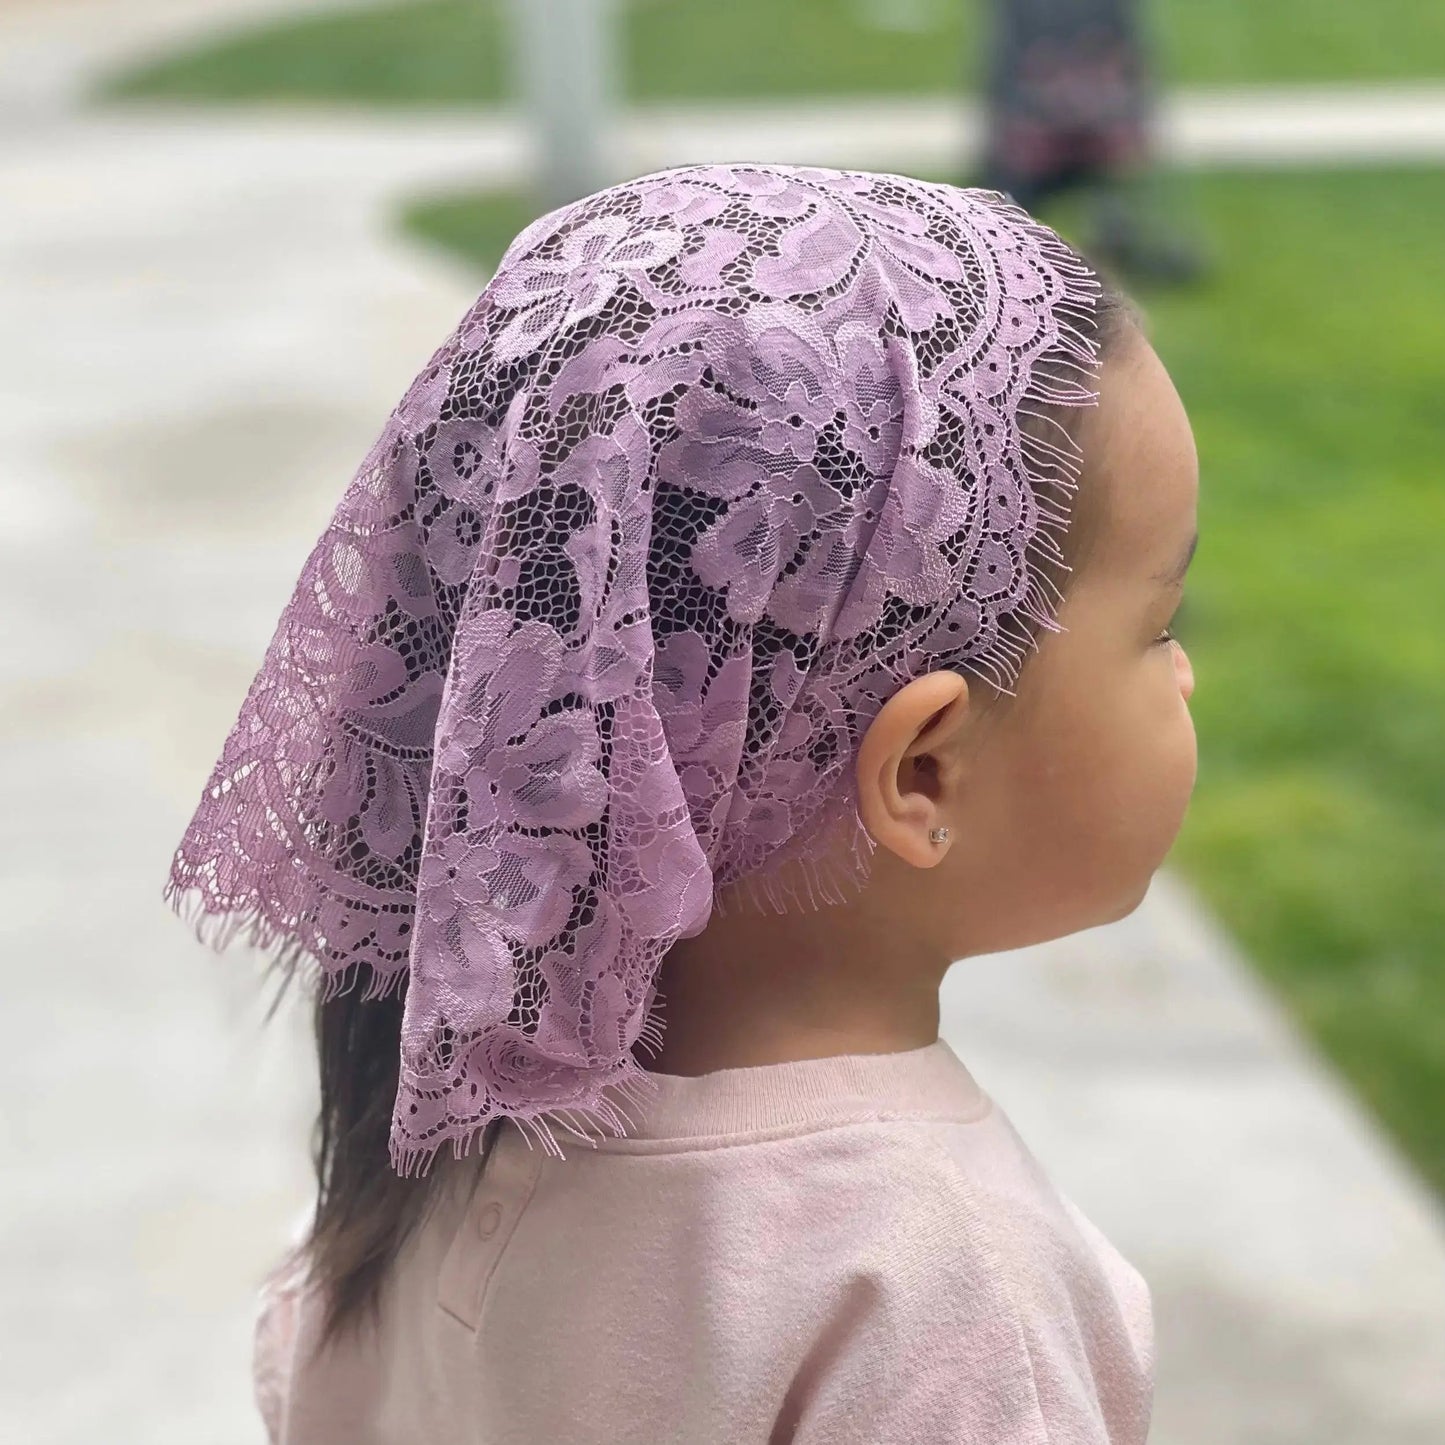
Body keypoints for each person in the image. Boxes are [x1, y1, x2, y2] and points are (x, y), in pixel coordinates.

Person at [165, 162, 1197, 1444]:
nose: (1187, 671)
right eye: (1162, 622)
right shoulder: (938, 1291)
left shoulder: (438, 1138)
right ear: (922, 766)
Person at [975, 0, 1207, 285]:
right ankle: (1001, 259)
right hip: (1038, 143)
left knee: (1115, 195)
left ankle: (1117, 244)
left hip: (1097, 137)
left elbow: (1128, 63)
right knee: (1005, 203)